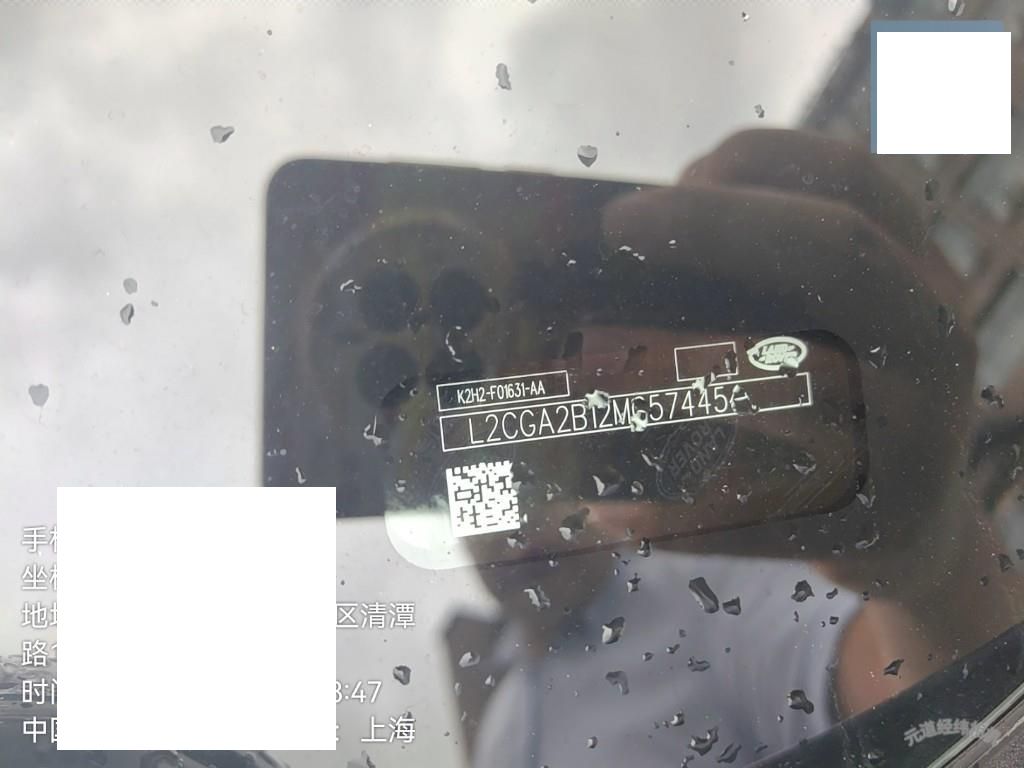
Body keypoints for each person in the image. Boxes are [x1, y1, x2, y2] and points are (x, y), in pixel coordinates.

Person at [440, 129, 1024, 767]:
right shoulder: (498, 731)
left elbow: (892, 689)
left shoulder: (701, 584)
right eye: (488, 494)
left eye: (547, 476)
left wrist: (924, 559)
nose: (520, 527)